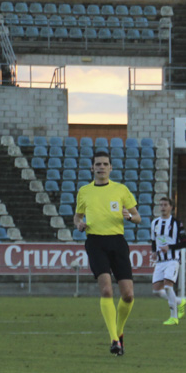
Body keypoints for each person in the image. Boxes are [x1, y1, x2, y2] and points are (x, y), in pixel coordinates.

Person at [74, 151, 141, 355]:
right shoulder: (84, 191)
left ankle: (118, 332)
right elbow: (77, 217)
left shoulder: (121, 190)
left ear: (111, 168)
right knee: (106, 291)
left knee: (128, 295)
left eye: (105, 164)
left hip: (117, 241)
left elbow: (138, 217)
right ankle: (114, 340)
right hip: (95, 241)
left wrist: (129, 216)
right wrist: (79, 225)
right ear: (92, 168)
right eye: (98, 164)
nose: (101, 167)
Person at [150, 196, 186, 325]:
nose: (163, 207)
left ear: (171, 207)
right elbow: (153, 241)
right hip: (160, 262)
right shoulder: (155, 223)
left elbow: (184, 243)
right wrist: (154, 252)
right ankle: (179, 301)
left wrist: (170, 247)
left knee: (167, 286)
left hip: (173, 259)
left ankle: (174, 317)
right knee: (156, 290)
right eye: (161, 205)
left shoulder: (177, 223)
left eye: (165, 205)